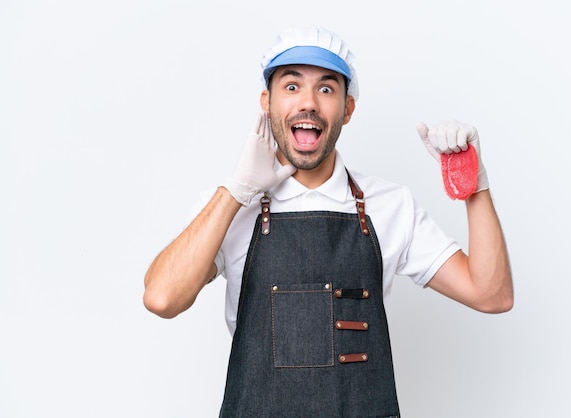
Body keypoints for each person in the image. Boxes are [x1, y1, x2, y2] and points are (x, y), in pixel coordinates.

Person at [143, 26, 513, 418]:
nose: (308, 103)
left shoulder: (389, 206)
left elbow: (492, 295)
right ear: (266, 103)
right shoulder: (229, 209)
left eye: (325, 89)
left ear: (347, 108)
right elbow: (162, 298)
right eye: (291, 87)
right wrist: (235, 191)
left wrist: (474, 187)